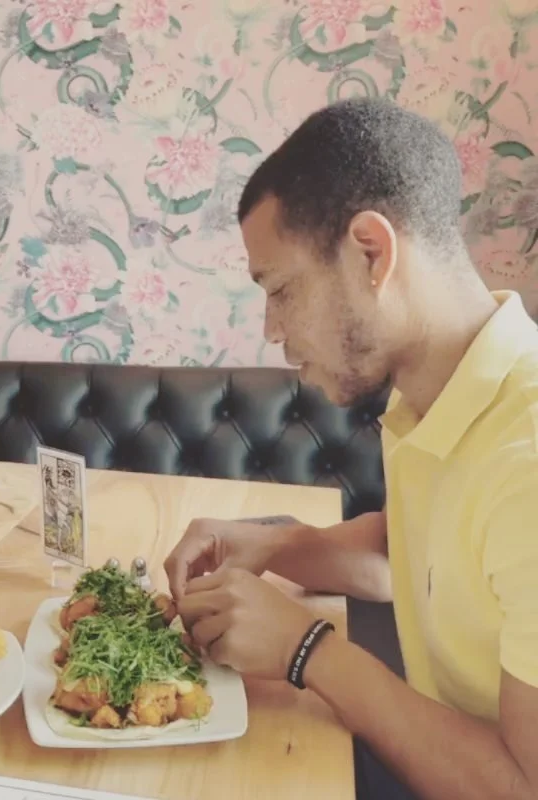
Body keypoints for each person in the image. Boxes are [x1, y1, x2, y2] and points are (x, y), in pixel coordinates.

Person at [163, 97, 538, 800]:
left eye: (280, 289)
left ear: (371, 252)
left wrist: (306, 649)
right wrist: (273, 544)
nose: (271, 330)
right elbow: (408, 560)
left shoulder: (528, 460)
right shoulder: (430, 391)